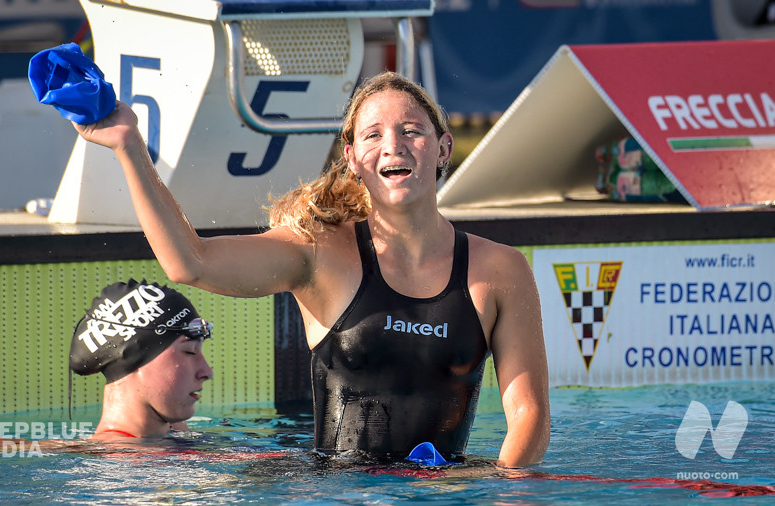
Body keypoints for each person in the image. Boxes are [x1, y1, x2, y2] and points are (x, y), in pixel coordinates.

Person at [72, 72, 550, 466]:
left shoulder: (500, 271)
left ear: (444, 148)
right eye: (373, 135)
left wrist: (498, 491)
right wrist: (128, 146)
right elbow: (189, 263)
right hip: (338, 497)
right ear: (353, 159)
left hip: (448, 497)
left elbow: (529, 416)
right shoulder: (321, 255)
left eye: (412, 131)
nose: (394, 146)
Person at [69, 279, 214, 440]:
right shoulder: (121, 460)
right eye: (189, 352)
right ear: (133, 359)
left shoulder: (173, 435)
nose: (207, 372)